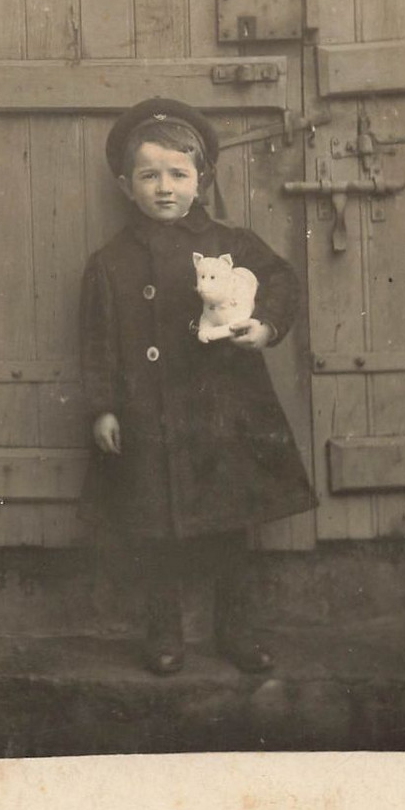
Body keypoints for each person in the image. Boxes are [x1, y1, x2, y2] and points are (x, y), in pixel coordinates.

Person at [79, 97, 316, 676]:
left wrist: (264, 327)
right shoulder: (111, 262)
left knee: (230, 529)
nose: (164, 188)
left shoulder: (231, 243)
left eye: (179, 175)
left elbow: (282, 280)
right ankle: (164, 632)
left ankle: (235, 631)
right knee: (154, 531)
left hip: (221, 413)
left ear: (201, 179)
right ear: (125, 183)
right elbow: (97, 340)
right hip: (149, 417)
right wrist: (104, 409)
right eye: (149, 175)